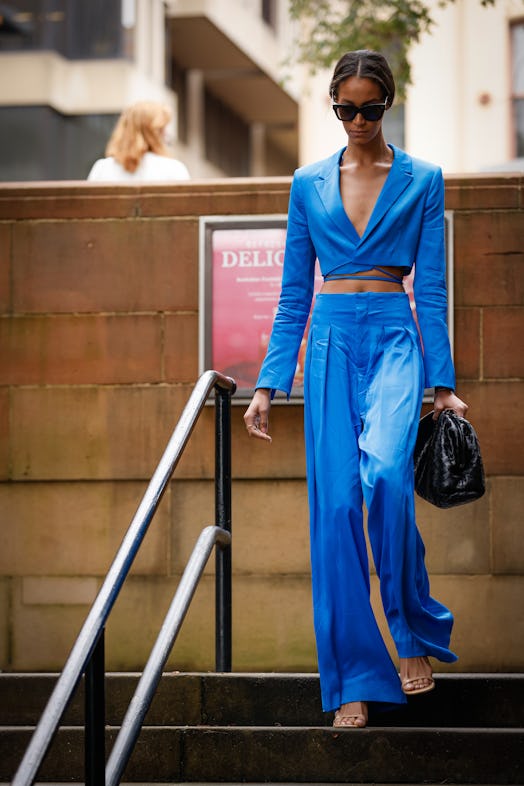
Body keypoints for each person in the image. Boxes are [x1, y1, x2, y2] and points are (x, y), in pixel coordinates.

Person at [243, 50, 468, 729]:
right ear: (334, 106)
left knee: (391, 481)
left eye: (371, 108)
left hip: (395, 338)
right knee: (337, 509)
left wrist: (442, 384)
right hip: (333, 341)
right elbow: (291, 298)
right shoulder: (307, 182)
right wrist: (266, 384)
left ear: (387, 105)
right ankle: (350, 680)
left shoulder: (423, 179)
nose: (359, 120)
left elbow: (429, 287)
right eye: (347, 109)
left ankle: (410, 635)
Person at [87, 101, 190, 182]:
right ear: (156, 132)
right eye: (162, 128)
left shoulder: (101, 168)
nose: (166, 134)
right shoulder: (174, 169)